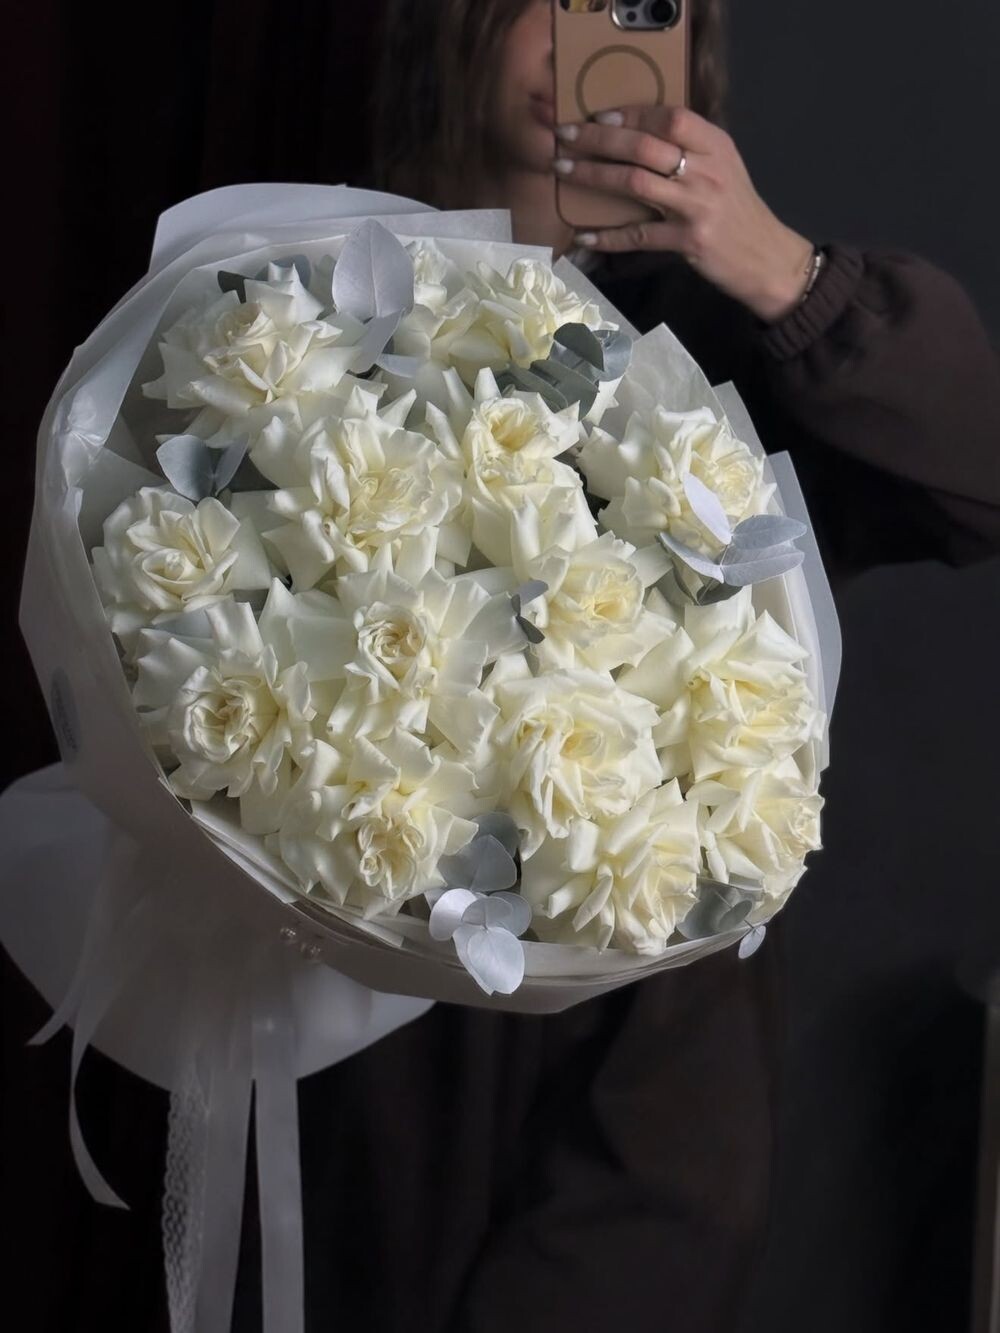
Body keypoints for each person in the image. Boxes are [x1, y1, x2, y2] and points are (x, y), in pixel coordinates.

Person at [290, 2, 1000, 1332]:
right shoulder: (317, 295)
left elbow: (977, 478)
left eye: (631, 3)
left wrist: (786, 273)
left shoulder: (730, 333)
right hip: (380, 1007)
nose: (578, 45)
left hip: (655, 1033)